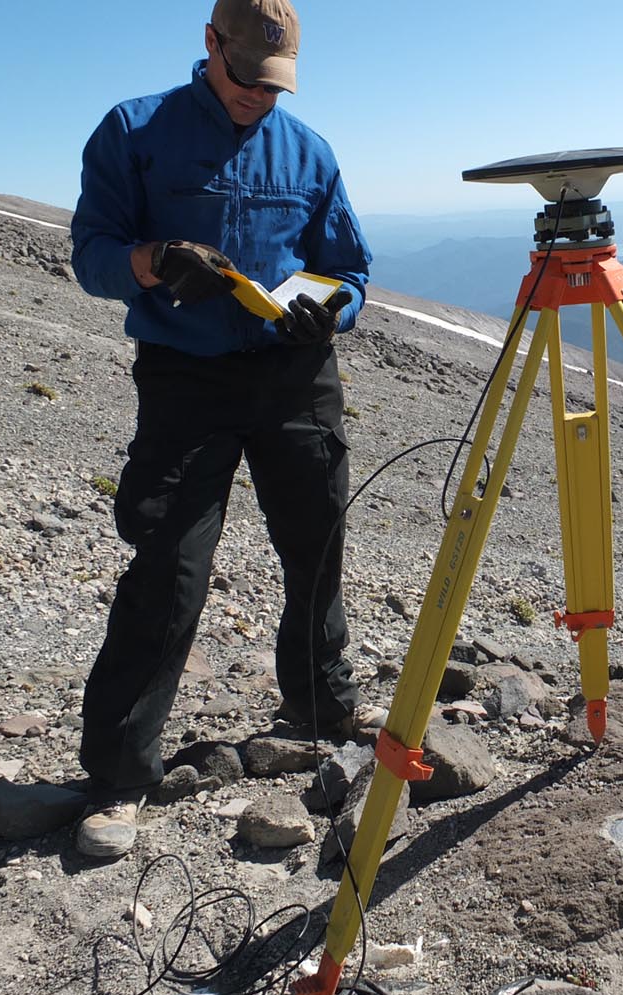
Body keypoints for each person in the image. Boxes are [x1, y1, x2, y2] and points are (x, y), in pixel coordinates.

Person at [68, 0, 378, 859]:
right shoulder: (134, 130)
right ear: (210, 46)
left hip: (294, 376)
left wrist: (333, 312)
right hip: (185, 381)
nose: (257, 98)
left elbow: (349, 266)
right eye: (246, 78)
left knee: (317, 543)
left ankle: (320, 706)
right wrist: (156, 263)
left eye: (273, 85)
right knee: (169, 565)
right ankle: (121, 774)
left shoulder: (308, 149)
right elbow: (91, 253)